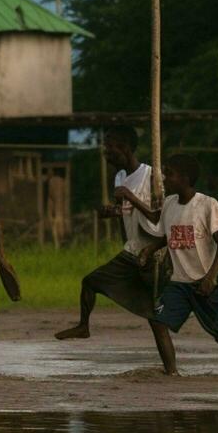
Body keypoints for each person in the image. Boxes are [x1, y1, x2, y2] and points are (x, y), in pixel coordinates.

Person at [137, 154, 218, 376]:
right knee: (157, 321)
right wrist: (149, 249)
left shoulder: (208, 205)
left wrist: (211, 276)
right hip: (179, 282)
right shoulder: (169, 204)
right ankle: (172, 373)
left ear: (185, 178)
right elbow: (167, 234)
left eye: (169, 173)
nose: (164, 178)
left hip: (206, 281)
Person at [56, 125, 158, 339]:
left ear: (126, 149)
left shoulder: (151, 176)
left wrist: (130, 197)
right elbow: (125, 212)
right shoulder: (120, 177)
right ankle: (83, 326)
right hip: (131, 250)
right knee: (91, 282)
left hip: (153, 251)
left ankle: (172, 368)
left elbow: (157, 216)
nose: (106, 153)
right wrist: (112, 212)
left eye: (110, 149)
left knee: (156, 316)